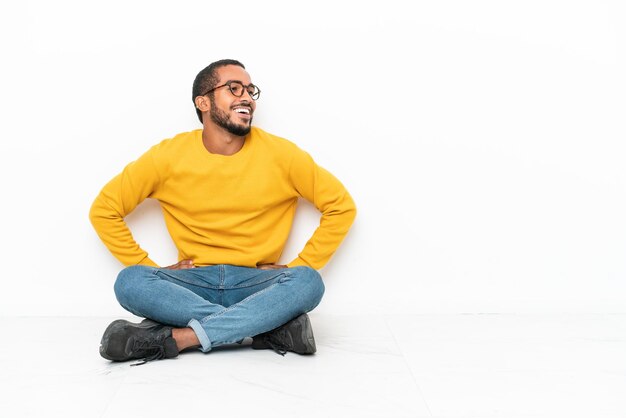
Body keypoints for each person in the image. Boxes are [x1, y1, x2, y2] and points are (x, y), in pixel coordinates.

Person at [89, 59, 356, 365]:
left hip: (256, 283)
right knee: (130, 281)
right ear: (203, 102)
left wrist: (303, 263)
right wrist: (152, 269)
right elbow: (105, 209)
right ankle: (265, 329)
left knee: (308, 281)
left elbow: (340, 206)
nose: (247, 98)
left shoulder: (282, 155)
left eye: (250, 90)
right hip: (193, 284)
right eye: (234, 88)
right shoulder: (167, 156)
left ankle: (179, 339)